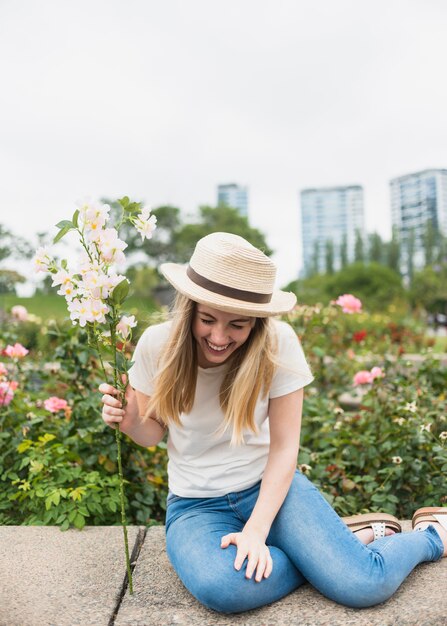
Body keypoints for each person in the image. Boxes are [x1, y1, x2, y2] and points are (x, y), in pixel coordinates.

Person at [99, 232, 446, 614]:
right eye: (207, 319)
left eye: (238, 325)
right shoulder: (156, 345)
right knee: (223, 588)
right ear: (189, 309)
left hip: (270, 490)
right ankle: (342, 546)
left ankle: (432, 534)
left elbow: (284, 448)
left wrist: (256, 530)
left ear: (258, 323)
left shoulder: (278, 343)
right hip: (195, 506)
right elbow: (152, 435)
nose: (218, 337)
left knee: (364, 584)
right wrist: (131, 422)